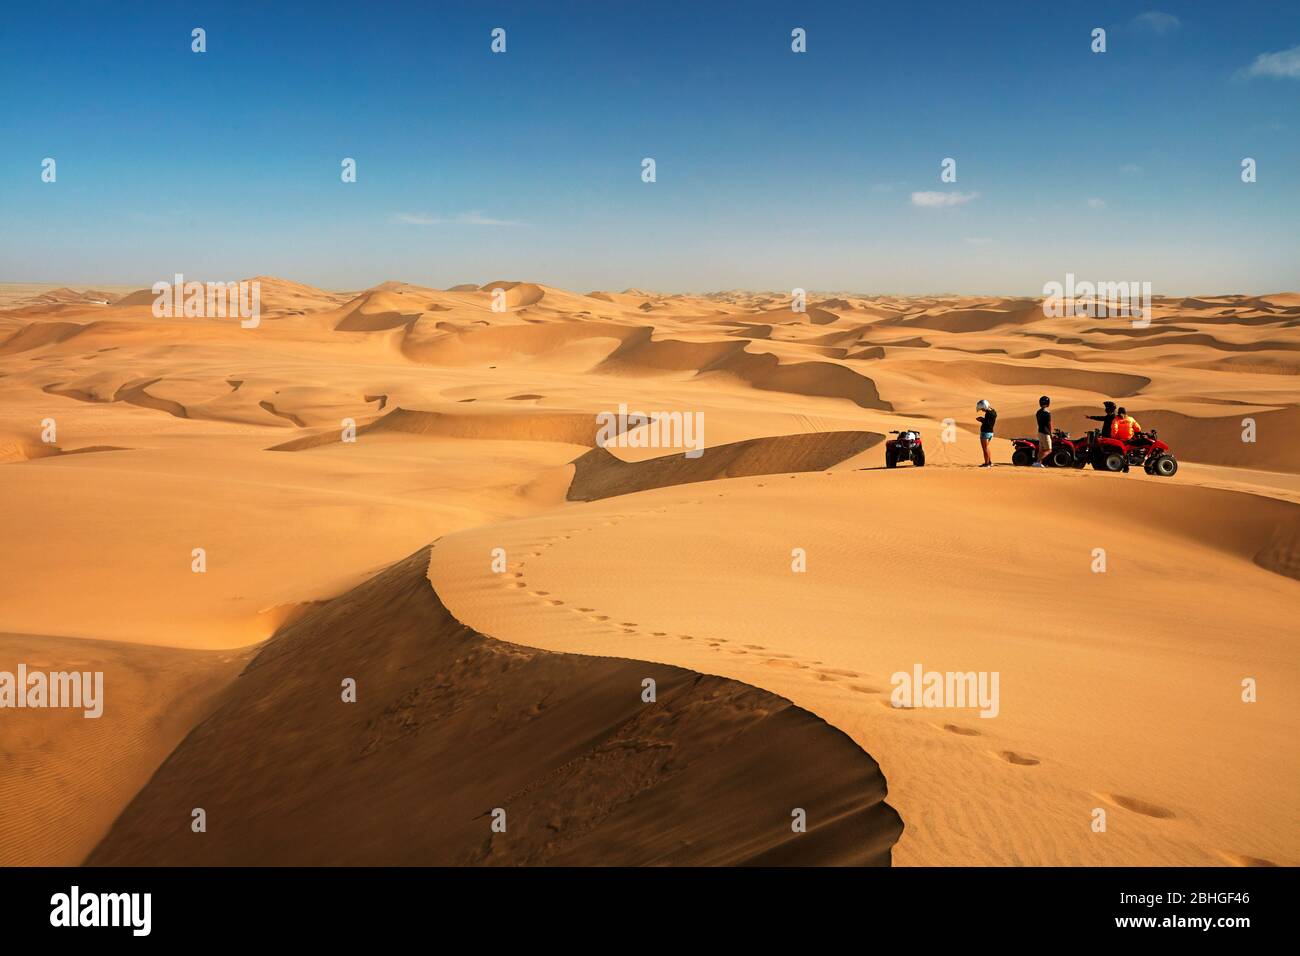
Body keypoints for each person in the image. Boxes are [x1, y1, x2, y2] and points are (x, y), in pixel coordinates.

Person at [976, 399, 996, 467]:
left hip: (985, 432)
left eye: (982, 409)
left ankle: (987, 464)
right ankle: (989, 462)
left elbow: (987, 423)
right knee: (987, 448)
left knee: (985, 449)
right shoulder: (993, 412)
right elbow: (989, 421)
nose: (982, 410)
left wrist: (981, 419)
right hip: (990, 432)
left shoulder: (988, 413)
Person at [1034, 396, 1051, 467]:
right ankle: (1037, 462)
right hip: (1045, 433)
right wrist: (1050, 433)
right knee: (1049, 450)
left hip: (1040, 432)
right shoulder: (1047, 413)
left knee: (1041, 450)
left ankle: (1038, 463)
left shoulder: (1038, 412)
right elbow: (1049, 424)